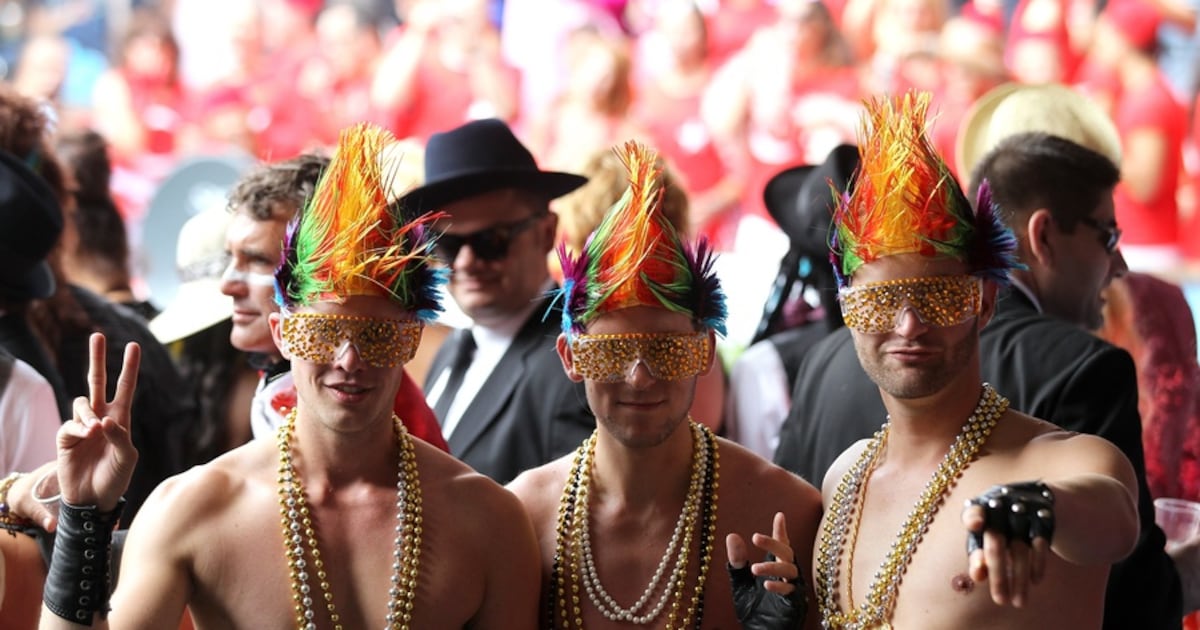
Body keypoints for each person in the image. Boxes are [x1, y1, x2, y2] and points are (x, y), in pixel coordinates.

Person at [36, 123, 540, 629]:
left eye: (378, 336)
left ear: (410, 341)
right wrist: (84, 520)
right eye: (323, 332)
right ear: (281, 332)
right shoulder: (197, 508)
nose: (349, 360)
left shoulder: (487, 520)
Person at [776, 100, 1184, 629]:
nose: (908, 327)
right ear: (849, 311)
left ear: (985, 301)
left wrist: (1041, 507)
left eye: (939, 298)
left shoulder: (1059, 462)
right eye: (880, 302)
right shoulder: (845, 478)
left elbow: (1113, 516)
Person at [508, 141, 823, 629]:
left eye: (666, 350)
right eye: (612, 352)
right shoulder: (523, 517)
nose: (639, 376)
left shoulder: (787, 513)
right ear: (571, 357)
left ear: (703, 352)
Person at [399, 118, 595, 484]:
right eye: (447, 245)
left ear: (547, 232)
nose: (465, 263)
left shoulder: (579, 363)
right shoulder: (455, 348)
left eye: (492, 241)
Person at [220, 152, 449, 450]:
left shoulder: (366, 400)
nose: (227, 285)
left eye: (258, 260)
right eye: (230, 258)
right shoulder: (281, 379)